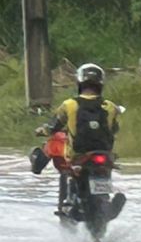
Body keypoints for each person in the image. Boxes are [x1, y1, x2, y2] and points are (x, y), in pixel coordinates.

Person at [28, 63, 125, 218]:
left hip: (79, 155)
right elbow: (114, 129)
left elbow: (53, 126)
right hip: (104, 155)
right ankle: (105, 203)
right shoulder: (111, 107)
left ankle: (69, 201)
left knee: (68, 168)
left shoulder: (69, 105)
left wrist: (42, 130)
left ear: (79, 83)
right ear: (101, 84)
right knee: (104, 172)